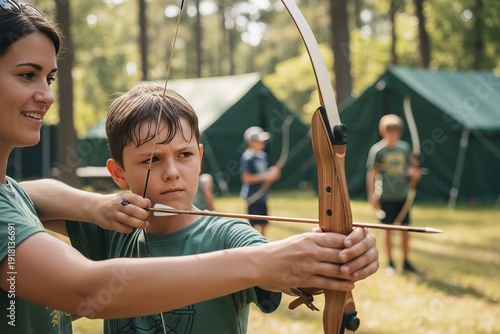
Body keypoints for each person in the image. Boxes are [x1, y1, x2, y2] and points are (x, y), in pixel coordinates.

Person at [0, 3, 378, 333]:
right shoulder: (114, 237)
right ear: (118, 172)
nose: (47, 95)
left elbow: (28, 193)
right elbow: (86, 290)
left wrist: (331, 257)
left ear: (199, 155)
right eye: (26, 75)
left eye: (184, 155)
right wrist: (268, 262)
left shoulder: (227, 235)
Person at [366, 114, 420, 275]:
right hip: (386, 196)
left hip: (402, 195)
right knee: (387, 229)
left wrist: (413, 175)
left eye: (395, 131)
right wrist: (372, 195)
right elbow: (372, 173)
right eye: (389, 131)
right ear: (382, 131)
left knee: (405, 229)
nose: (392, 134)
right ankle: (390, 262)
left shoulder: (404, 148)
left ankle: (406, 261)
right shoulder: (377, 150)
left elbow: (410, 169)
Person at [239, 126, 280, 236]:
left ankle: (262, 243)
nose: (263, 143)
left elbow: (264, 175)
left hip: (262, 196)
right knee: (253, 224)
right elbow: (246, 178)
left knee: (264, 223)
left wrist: (272, 174)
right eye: (259, 141)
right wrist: (266, 176)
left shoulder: (263, 156)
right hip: (253, 196)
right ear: (251, 142)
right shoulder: (248, 157)